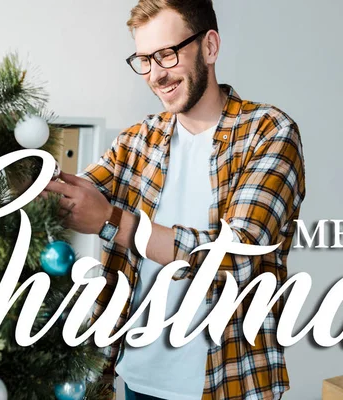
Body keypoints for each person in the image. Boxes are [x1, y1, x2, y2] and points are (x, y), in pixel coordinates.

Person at [42, 0, 306, 398]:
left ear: (210, 47)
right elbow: (72, 194)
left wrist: (112, 221)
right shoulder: (136, 141)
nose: (155, 74)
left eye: (167, 54)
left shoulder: (268, 133)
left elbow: (235, 256)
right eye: (144, 59)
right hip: (136, 380)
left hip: (230, 385)